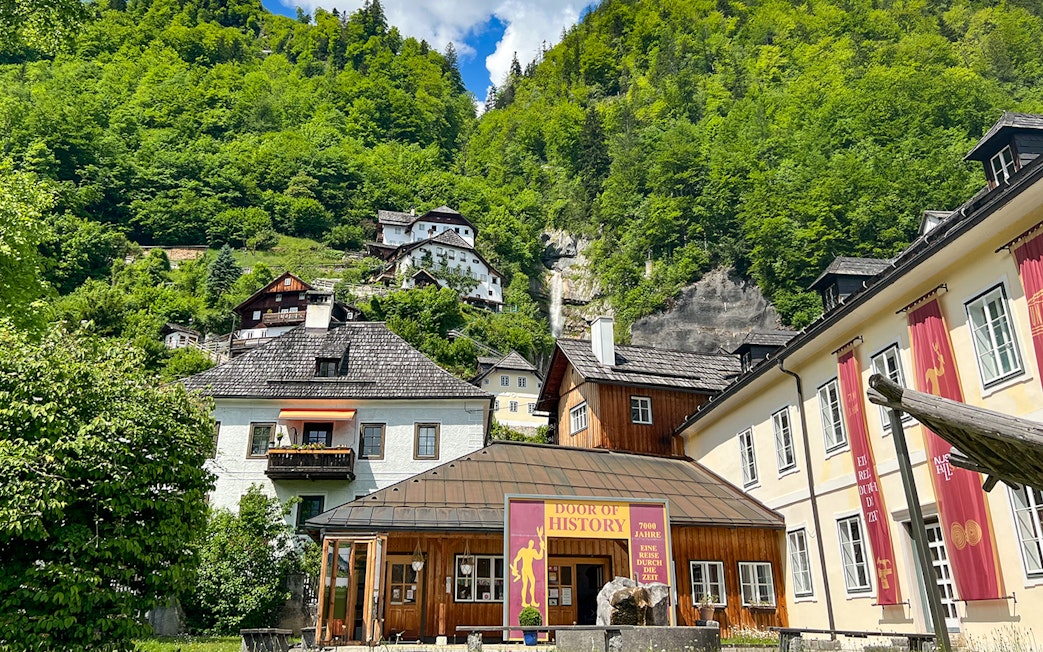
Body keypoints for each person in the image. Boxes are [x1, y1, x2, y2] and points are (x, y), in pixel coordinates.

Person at [511, 527, 546, 607]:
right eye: (530, 543)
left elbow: (539, 557)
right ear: (528, 544)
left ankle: (533, 601)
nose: (531, 544)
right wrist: (515, 569)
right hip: (524, 569)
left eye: (532, 543)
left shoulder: (533, 551)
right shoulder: (523, 550)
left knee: (533, 583)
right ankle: (524, 601)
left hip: (529, 568)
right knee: (525, 584)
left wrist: (541, 548)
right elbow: (516, 559)